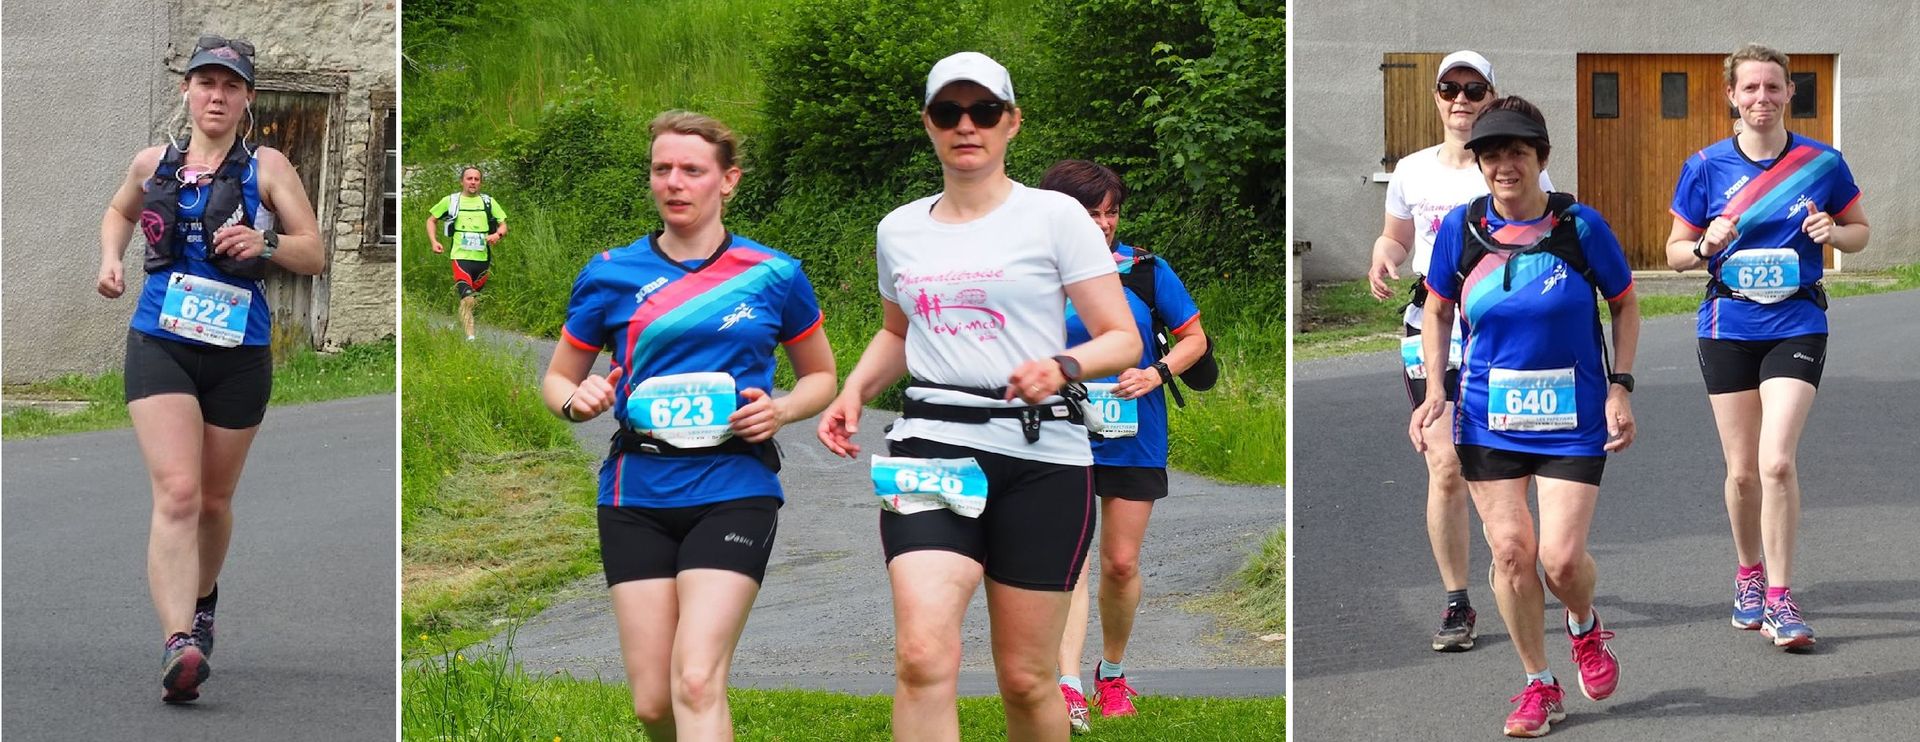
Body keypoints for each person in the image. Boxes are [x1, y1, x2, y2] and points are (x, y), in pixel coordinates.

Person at [815, 52, 1140, 742]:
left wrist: (1062, 365)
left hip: (1040, 454)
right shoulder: (899, 229)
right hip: (932, 447)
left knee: (1026, 679)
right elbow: (896, 334)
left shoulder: (1055, 217)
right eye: (948, 112)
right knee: (923, 654)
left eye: (985, 111)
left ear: (1012, 123)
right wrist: (854, 388)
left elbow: (1121, 339)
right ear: (929, 125)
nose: (967, 125)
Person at [540, 111, 836, 739]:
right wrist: (578, 400)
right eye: (662, 169)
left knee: (697, 679)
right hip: (635, 491)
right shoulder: (610, 273)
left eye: (692, 170)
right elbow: (558, 379)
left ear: (727, 180)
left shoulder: (774, 274)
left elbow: (821, 377)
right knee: (653, 703)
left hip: (734, 486)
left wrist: (781, 409)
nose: (674, 182)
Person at [96, 34, 326, 704]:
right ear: (186, 92)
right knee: (178, 492)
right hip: (160, 340)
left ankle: (201, 602)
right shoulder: (154, 162)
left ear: (247, 97)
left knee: (216, 502)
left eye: (230, 85)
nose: (216, 96)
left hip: (239, 352)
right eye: (206, 83)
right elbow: (119, 211)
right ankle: (178, 645)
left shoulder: (268, 168)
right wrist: (110, 258)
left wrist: (268, 241)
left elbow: (314, 254)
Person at [1410, 96, 1639, 738]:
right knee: (1512, 552)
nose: (1504, 165)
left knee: (1561, 560)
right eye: (1491, 153)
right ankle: (1539, 683)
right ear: (1478, 162)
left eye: (1516, 151)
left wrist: (1620, 387)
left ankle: (1585, 625)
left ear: (1541, 157)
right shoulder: (1462, 228)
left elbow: (1624, 305)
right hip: (1489, 417)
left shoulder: (1580, 225)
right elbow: (1436, 310)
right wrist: (1438, 391)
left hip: (1572, 416)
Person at [1664, 43, 1869, 649]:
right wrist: (1705, 244)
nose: (1762, 99)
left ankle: (1780, 598)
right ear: (1732, 95)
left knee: (1776, 460)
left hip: (1797, 321)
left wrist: (1836, 232)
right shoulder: (1704, 166)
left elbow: (1860, 233)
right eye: (1750, 88)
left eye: (1773, 88)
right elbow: (1673, 253)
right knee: (1743, 470)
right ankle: (1748, 573)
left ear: (1789, 94)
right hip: (1727, 324)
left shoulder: (1823, 162)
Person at [1369, 50, 1553, 652]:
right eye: (1451, 89)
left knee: (1507, 455)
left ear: (1492, 96)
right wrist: (1384, 258)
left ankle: (1515, 558)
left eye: (1475, 91)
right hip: (1431, 321)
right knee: (1444, 464)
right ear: (1436, 97)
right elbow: (1396, 237)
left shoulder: (1508, 166)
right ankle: (1457, 600)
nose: (1461, 101)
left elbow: (1546, 232)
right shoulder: (1412, 170)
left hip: (1501, 328)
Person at [1037, 160, 1207, 732]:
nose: (1104, 223)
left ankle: (1112, 672)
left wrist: (1156, 373)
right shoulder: (1034, 275)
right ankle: (1067, 684)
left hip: (1135, 434)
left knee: (1119, 561)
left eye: (1111, 212)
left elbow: (1194, 340)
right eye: (1091, 213)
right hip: (1060, 431)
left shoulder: (1143, 271)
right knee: (1070, 561)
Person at [427, 166, 508, 341]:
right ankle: (471, 339)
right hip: (460, 257)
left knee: (471, 301)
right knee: (468, 298)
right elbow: (431, 220)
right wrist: (434, 241)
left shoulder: (488, 202)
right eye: (469, 178)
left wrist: (497, 234)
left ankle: (458, 324)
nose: (472, 182)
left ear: (481, 182)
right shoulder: (451, 201)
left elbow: (503, 225)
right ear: (462, 181)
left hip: (482, 258)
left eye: (476, 179)